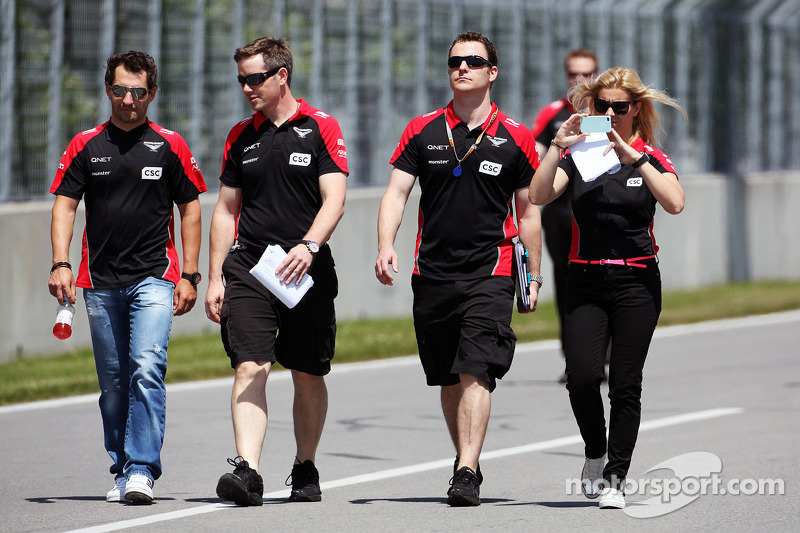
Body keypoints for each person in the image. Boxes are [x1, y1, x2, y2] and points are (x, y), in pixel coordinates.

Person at [375, 31, 541, 507]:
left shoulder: (516, 137)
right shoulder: (422, 129)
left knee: (476, 370)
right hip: (432, 273)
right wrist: (386, 244)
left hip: (492, 269)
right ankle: (463, 459)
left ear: (493, 71)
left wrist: (532, 275)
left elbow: (528, 213)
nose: (462, 68)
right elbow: (396, 193)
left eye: (473, 61)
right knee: (449, 377)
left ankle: (467, 470)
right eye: (454, 61)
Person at [48, 50, 207, 504]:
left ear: (152, 94)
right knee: (114, 384)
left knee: (146, 368)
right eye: (120, 90)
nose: (129, 100)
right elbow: (64, 205)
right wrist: (60, 262)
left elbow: (191, 207)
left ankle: (142, 469)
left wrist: (190, 274)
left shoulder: (170, 144)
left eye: (138, 92)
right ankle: (120, 467)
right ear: (108, 90)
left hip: (155, 277)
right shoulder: (84, 144)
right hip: (98, 281)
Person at [528, 66, 686, 509]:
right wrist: (557, 149)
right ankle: (595, 453)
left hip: (637, 281)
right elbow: (539, 196)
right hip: (585, 279)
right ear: (591, 108)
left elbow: (674, 202)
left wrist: (633, 156)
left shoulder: (650, 156)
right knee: (581, 378)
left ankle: (616, 477)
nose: (612, 113)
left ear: (635, 109)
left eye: (621, 106)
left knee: (625, 383)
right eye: (603, 106)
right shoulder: (582, 156)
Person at [205, 37, 348, 507]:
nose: (246, 88)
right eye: (241, 79)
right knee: (250, 364)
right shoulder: (239, 136)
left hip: (304, 269)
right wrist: (214, 277)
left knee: (307, 372)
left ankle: (305, 466)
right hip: (250, 267)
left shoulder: (321, 126)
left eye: (254, 78)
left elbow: (335, 199)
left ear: (281, 76)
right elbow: (226, 211)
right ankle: (247, 471)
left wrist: (310, 244)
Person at [531, 48, 599, 383]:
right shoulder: (555, 113)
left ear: (597, 75)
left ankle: (604, 351)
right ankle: (574, 356)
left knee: (603, 277)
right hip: (560, 210)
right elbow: (536, 155)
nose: (580, 80)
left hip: (598, 207)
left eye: (587, 74)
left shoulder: (609, 111)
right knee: (566, 279)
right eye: (574, 74)